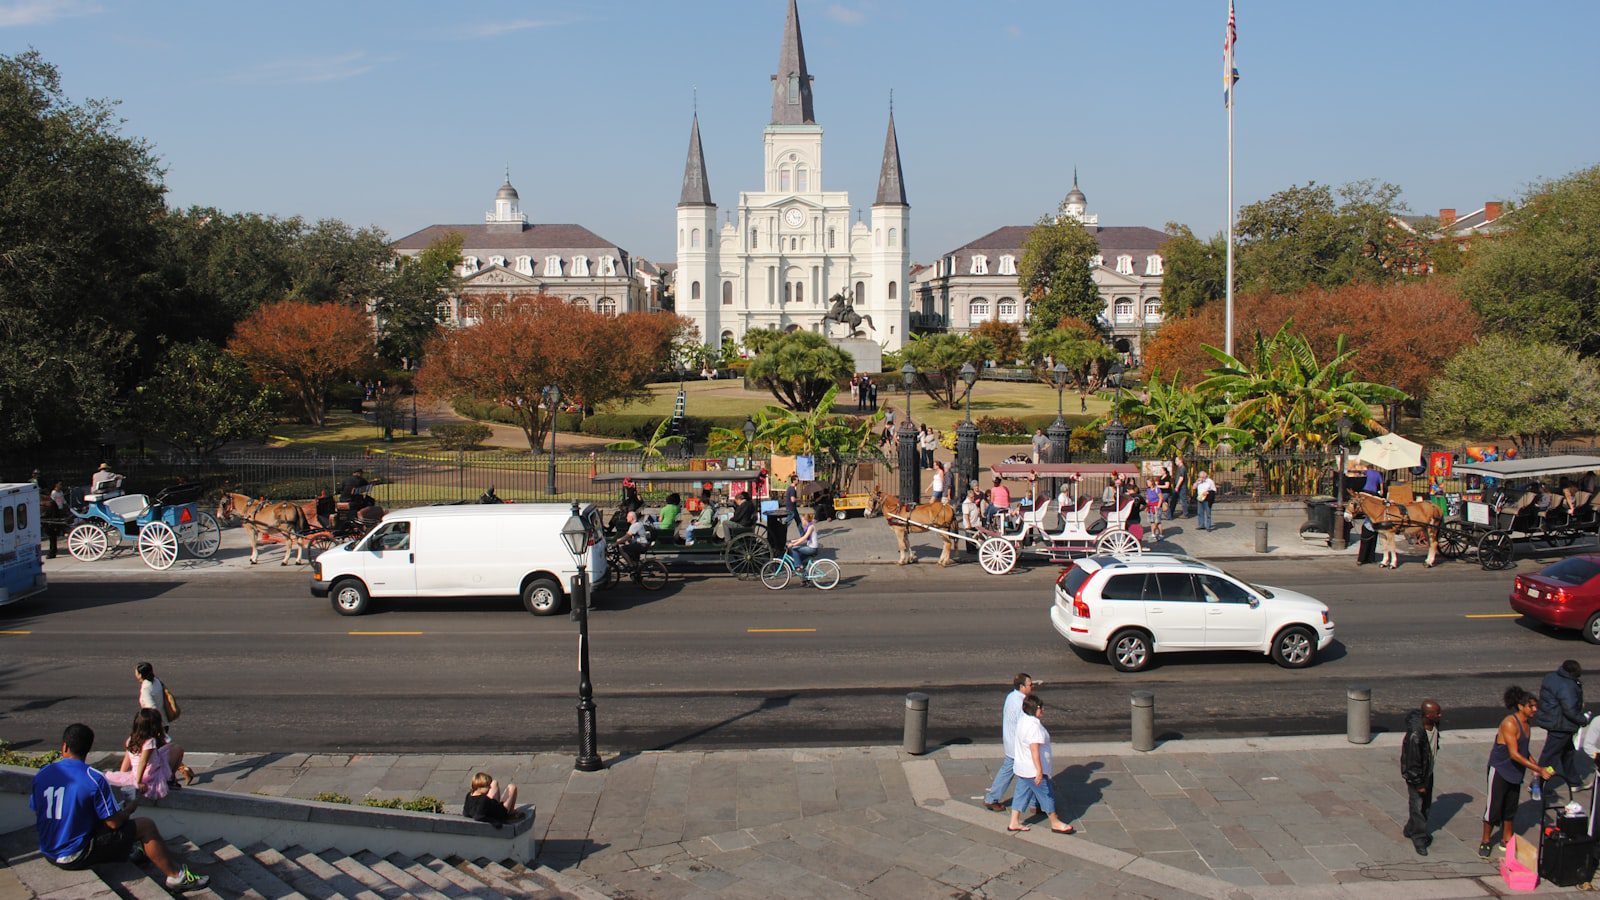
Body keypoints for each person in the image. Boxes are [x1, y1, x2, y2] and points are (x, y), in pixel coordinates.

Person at [30, 723, 209, 890]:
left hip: (48, 850)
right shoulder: (93, 778)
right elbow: (114, 823)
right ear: (87, 749)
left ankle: (129, 850)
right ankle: (176, 877)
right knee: (145, 826)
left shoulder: (43, 773)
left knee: (98, 818)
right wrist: (129, 809)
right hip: (73, 855)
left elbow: (38, 808)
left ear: (64, 747)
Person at [1479, 686, 1550, 859]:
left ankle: (1506, 838)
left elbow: (1524, 751)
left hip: (1515, 772)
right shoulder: (1510, 723)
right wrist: (1538, 769)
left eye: (1535, 706)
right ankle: (1486, 840)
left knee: (1510, 807)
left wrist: (1538, 768)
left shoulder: (1527, 724)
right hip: (1500, 770)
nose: (1535, 709)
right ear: (1520, 706)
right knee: (1494, 807)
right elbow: (1514, 754)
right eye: (1531, 706)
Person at [1006, 695, 1074, 835]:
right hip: (1032, 770)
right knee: (1046, 794)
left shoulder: (1023, 720)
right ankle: (1055, 822)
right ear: (1036, 709)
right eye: (1041, 707)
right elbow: (1034, 750)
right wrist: (1039, 770)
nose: (1043, 710)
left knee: (1021, 793)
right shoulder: (1034, 726)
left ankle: (1014, 822)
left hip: (1022, 767)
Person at [1534, 660, 1589, 799]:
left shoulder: (1551, 677)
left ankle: (1574, 781)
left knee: (1567, 753)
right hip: (1561, 726)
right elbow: (1570, 709)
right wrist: (1583, 719)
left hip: (1552, 721)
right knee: (1550, 756)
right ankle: (1538, 784)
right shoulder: (1568, 685)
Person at [982, 674, 1036, 811]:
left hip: (1011, 743)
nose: (1033, 686)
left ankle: (992, 798)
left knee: (1010, 770)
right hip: (1018, 746)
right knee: (1033, 772)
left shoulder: (1011, 697)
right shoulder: (1022, 703)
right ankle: (1036, 804)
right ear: (1022, 687)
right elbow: (1025, 726)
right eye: (1030, 684)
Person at [134, 663, 192, 785]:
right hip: (164, 722)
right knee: (162, 752)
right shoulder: (156, 681)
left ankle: (179, 774)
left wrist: (155, 728)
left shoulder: (145, 688)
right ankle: (178, 774)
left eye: (136, 672)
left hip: (154, 725)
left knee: (157, 754)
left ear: (140, 675)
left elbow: (152, 709)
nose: (135, 673)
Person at [1400, 700, 1443, 856]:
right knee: (1419, 806)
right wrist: (1419, 784)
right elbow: (1412, 762)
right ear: (1428, 715)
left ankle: (1410, 829)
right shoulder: (1415, 735)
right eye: (1437, 713)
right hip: (1417, 777)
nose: (1440, 715)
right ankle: (1419, 838)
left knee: (1424, 804)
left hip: (1427, 772)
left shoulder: (1435, 725)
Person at [104, 709, 173, 801]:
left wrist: (121, 775)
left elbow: (127, 759)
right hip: (150, 775)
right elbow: (143, 762)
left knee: (165, 752)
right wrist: (138, 782)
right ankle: (170, 780)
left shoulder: (131, 739)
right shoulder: (150, 741)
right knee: (173, 750)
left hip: (136, 773)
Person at [786, 510, 820, 575]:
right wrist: (794, 541)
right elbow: (803, 537)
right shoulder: (808, 527)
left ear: (805, 520)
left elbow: (804, 538)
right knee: (798, 559)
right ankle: (805, 579)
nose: (802, 522)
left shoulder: (811, 527)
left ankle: (799, 567)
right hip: (810, 548)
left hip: (812, 549)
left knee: (794, 549)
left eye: (802, 520)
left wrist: (793, 544)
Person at [1170, 453, 1189, 520]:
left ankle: (1185, 514)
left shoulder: (1182, 468)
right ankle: (1170, 513)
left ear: (1180, 460)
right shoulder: (1179, 468)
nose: (1175, 462)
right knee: (1174, 500)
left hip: (1181, 487)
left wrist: (1177, 486)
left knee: (1183, 500)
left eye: (1176, 460)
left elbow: (1181, 478)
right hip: (1179, 487)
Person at [1144, 477, 1164, 542]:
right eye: (1147, 482)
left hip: (1156, 506)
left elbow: (1161, 498)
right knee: (1152, 521)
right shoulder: (1148, 490)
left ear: (1152, 482)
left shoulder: (1157, 489)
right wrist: (1146, 506)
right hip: (1150, 506)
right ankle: (1153, 533)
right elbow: (1147, 498)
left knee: (1157, 521)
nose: (1147, 484)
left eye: (1148, 482)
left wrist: (1158, 507)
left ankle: (1160, 534)